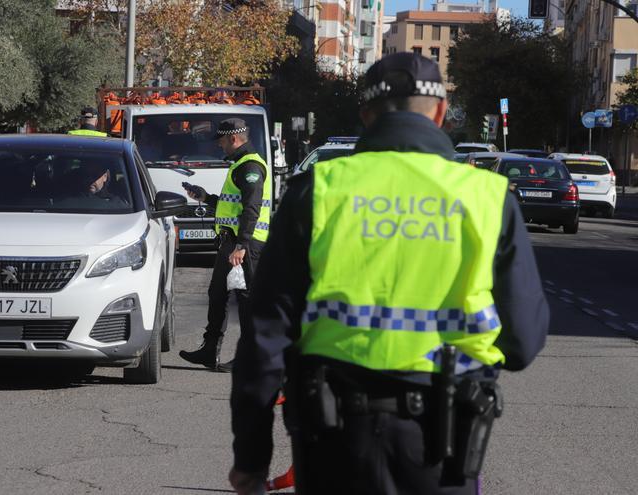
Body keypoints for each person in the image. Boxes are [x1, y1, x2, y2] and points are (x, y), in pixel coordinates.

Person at [229, 52, 550, 494]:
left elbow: (264, 339)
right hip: (445, 443)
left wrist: (251, 457)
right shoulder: (488, 198)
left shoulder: (318, 191)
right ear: (440, 114)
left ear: (365, 113)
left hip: (332, 442)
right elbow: (522, 345)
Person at [179, 118, 272, 372]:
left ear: (233, 138)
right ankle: (210, 351)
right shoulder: (240, 165)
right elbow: (233, 205)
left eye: (221, 141)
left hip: (246, 245)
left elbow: (251, 208)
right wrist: (205, 197)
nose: (220, 146)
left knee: (246, 300)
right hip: (232, 242)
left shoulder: (251, 166)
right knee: (218, 294)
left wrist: (241, 245)